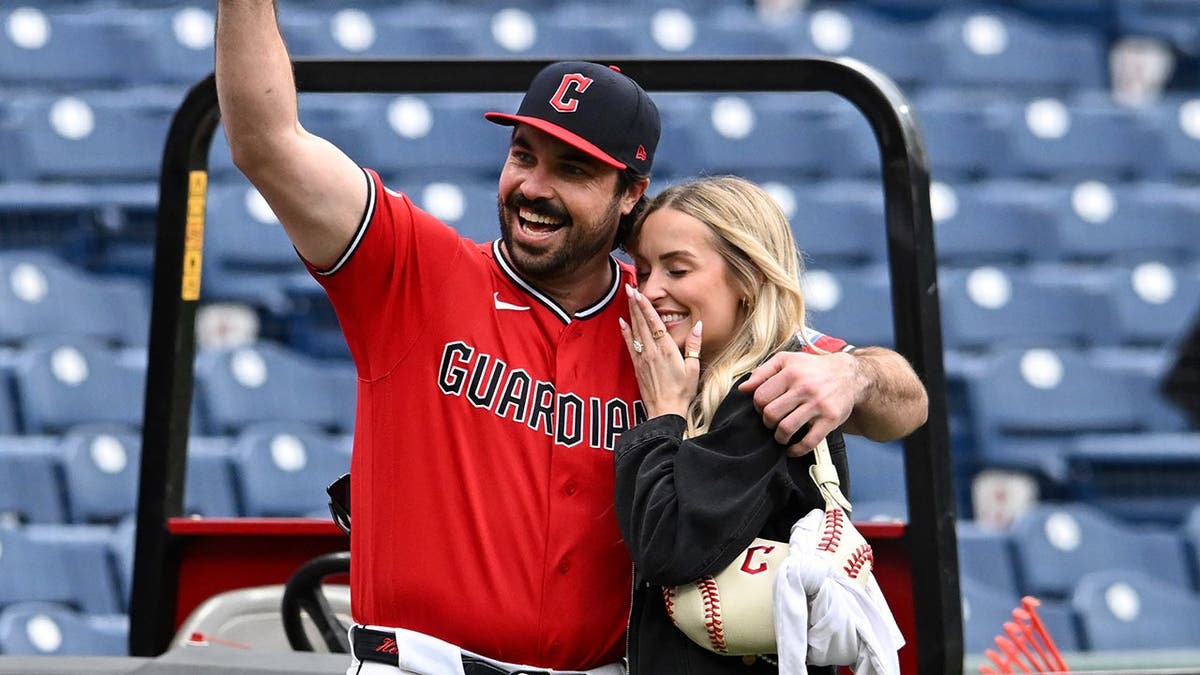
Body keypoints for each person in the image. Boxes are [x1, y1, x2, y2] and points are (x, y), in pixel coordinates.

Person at [216, 3, 926, 671]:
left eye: (574, 169)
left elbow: (907, 403)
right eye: (524, 154)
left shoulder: (666, 320)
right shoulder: (412, 271)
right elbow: (266, 142)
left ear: (629, 197)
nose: (535, 186)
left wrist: (855, 374)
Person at [614, 175, 927, 674]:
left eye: (677, 269)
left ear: (748, 278)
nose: (650, 290)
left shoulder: (769, 390)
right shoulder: (688, 366)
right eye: (644, 269)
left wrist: (664, 417)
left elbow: (668, 548)